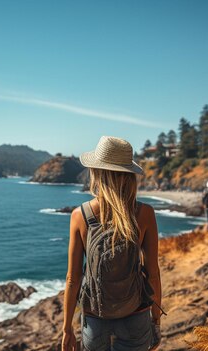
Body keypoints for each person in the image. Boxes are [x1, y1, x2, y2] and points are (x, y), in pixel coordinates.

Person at [62, 136, 163, 351]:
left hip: (95, 320)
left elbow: (73, 279)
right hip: (136, 317)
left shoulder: (80, 215)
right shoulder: (144, 213)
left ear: (97, 172)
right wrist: (156, 321)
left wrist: (67, 328)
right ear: (129, 175)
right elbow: (153, 273)